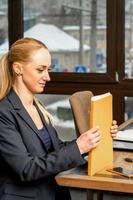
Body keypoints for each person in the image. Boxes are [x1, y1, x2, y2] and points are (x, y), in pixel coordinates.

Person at [0, 37, 118, 200]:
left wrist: (92, 140)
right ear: (18, 68)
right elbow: (26, 169)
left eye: (48, 69)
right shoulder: (3, 113)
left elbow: (55, 148)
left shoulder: (36, 106)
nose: (47, 77)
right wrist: (79, 147)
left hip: (52, 190)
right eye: (40, 70)